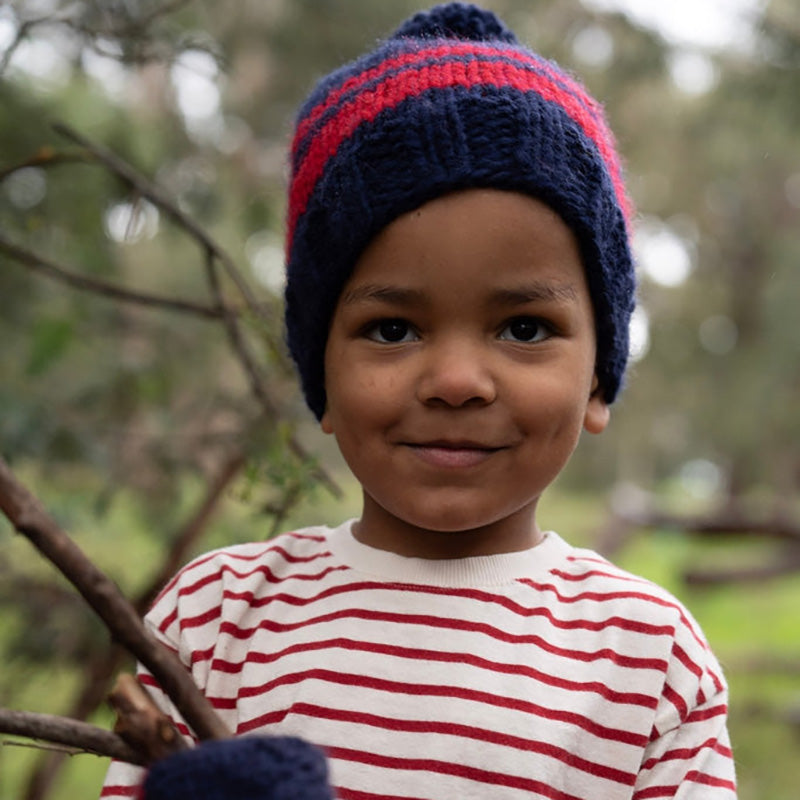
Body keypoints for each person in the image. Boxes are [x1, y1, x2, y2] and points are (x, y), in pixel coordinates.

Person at [101, 3, 737, 798]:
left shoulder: (646, 659)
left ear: (600, 379)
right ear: (321, 377)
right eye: (394, 328)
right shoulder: (216, 620)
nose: (456, 380)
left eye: (526, 327)